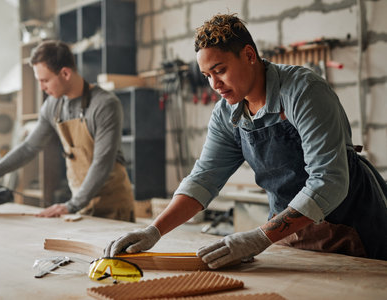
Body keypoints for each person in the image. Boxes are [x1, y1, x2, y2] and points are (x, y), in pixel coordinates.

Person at [105, 13, 387, 265]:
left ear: (249, 55)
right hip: (288, 233)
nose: (214, 85)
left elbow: (329, 181)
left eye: (220, 70)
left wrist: (259, 238)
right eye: (206, 75)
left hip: (350, 228)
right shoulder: (227, 113)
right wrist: (154, 230)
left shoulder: (304, 92)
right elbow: (204, 179)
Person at [0, 40, 135, 221]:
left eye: (45, 80)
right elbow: (28, 148)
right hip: (80, 207)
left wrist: (71, 205)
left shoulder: (104, 105)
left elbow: (101, 163)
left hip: (112, 207)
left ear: (65, 73)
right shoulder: (53, 105)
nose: (42, 87)